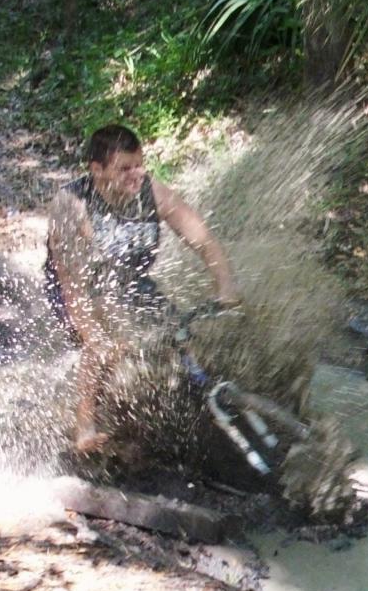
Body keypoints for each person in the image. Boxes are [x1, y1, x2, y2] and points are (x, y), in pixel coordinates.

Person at [45, 124, 239, 454]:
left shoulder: (155, 194)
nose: (136, 174)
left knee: (180, 336)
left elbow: (204, 242)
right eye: (125, 168)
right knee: (109, 343)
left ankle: (191, 410)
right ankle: (85, 427)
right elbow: (72, 286)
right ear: (97, 170)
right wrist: (95, 335)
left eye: (139, 164)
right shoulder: (72, 206)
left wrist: (226, 288)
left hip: (131, 282)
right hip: (78, 286)